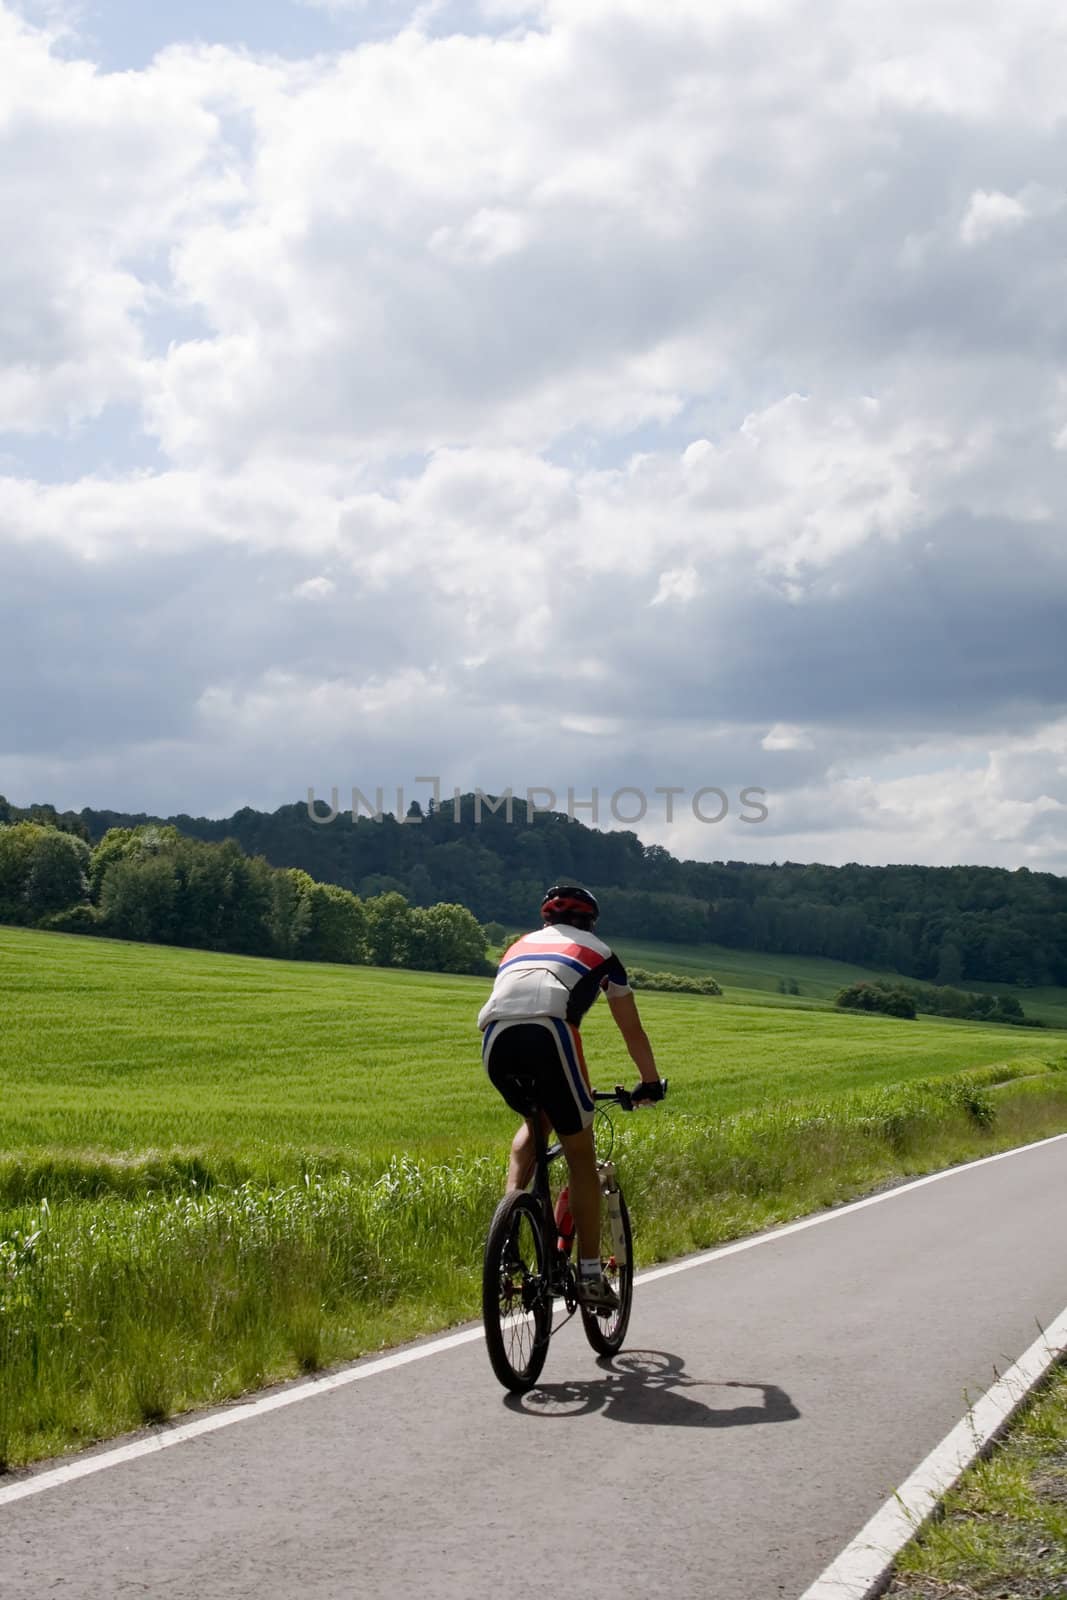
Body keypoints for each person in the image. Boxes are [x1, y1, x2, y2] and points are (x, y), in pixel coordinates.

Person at [478, 884, 665, 1313]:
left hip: (495, 1039)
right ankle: (591, 1274)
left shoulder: (517, 946)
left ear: (547, 921)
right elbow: (631, 1030)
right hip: (549, 1032)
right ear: (591, 922)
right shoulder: (602, 953)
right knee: (581, 1154)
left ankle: (511, 1212)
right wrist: (649, 1082)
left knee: (535, 1121)